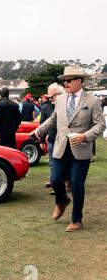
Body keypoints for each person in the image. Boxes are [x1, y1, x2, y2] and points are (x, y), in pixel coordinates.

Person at [31, 66, 106, 232]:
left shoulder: (92, 100)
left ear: (79, 81)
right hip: (61, 147)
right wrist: (39, 130)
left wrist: (85, 136)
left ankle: (76, 220)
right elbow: (53, 119)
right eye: (64, 80)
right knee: (56, 180)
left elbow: (101, 124)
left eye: (69, 80)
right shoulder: (60, 99)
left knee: (77, 184)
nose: (65, 83)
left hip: (81, 148)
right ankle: (62, 201)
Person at [40, 83, 65, 189]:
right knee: (52, 162)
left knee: (63, 162)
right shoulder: (45, 107)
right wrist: (41, 140)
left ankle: (64, 182)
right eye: (49, 97)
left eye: (52, 97)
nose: (50, 99)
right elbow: (43, 124)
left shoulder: (65, 105)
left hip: (64, 140)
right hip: (51, 139)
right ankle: (53, 180)